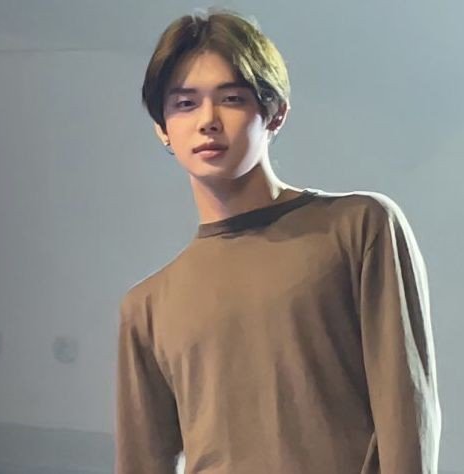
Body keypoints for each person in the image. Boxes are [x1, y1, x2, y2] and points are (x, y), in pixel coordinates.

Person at [115, 7, 441, 474]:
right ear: (163, 129)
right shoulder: (146, 308)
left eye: (231, 98)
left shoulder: (358, 227)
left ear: (275, 114)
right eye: (184, 103)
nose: (207, 120)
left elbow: (407, 413)